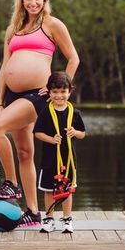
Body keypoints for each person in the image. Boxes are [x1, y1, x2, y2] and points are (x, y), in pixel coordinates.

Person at [0, 0, 80, 227]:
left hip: (37, 96)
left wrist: (58, 90)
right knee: (24, 152)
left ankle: (11, 184)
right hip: (13, 96)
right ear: (22, 1)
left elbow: (73, 58)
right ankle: (33, 212)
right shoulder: (13, 28)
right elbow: (4, 67)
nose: (32, 3)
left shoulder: (52, 25)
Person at [34, 72, 86, 233]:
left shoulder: (74, 113)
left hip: (68, 161)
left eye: (63, 91)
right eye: (55, 92)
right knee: (49, 190)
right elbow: (37, 132)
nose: (59, 96)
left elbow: (83, 133)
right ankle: (49, 219)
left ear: (69, 91)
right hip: (49, 160)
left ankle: (67, 219)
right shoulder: (46, 111)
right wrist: (51, 139)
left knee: (66, 190)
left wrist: (74, 132)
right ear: (49, 92)